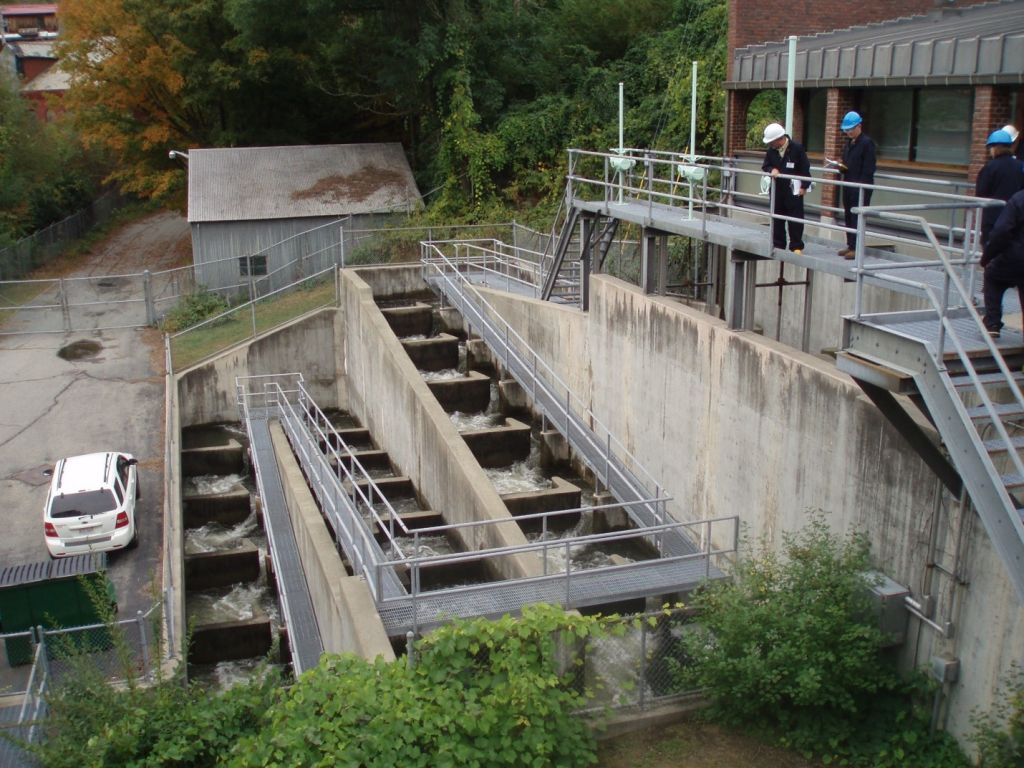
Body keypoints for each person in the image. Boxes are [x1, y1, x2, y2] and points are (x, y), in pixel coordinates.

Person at [761, 122, 811, 255]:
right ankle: (778, 244)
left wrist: (804, 186)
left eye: (772, 142)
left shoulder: (797, 148)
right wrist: (772, 169)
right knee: (777, 217)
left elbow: (805, 168)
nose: (770, 145)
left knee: (795, 217)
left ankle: (796, 245)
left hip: (793, 189)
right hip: (777, 188)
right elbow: (765, 166)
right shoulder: (771, 151)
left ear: (780, 139)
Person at [980, 188, 1024, 338]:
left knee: (993, 277)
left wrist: (987, 257)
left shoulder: (1019, 199)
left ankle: (992, 322)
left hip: (1016, 257)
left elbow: (1001, 231)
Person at [836, 111, 877, 260]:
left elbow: (869, 168)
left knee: (857, 217)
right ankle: (851, 245)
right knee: (848, 214)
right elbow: (848, 163)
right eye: (846, 130)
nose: (848, 132)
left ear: (859, 126)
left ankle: (857, 247)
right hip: (849, 183)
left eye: (850, 129)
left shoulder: (866, 143)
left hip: (860, 186)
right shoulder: (849, 143)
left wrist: (861, 186)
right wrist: (841, 166)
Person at [976, 129, 1024, 245]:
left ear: (993, 148)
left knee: (992, 248)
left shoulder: (990, 167)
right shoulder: (1020, 166)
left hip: (993, 217)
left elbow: (981, 192)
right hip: (1017, 216)